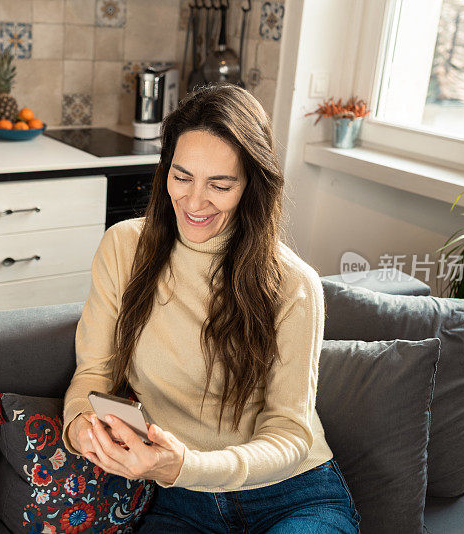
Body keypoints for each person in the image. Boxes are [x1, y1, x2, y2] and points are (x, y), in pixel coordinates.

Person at [61, 83, 361, 533]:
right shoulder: (124, 248)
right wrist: (81, 428)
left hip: (292, 495)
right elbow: (93, 375)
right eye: (182, 177)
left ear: (250, 186)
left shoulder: (295, 284)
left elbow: (290, 433)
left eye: (220, 185)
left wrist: (186, 465)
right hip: (182, 501)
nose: (194, 201)